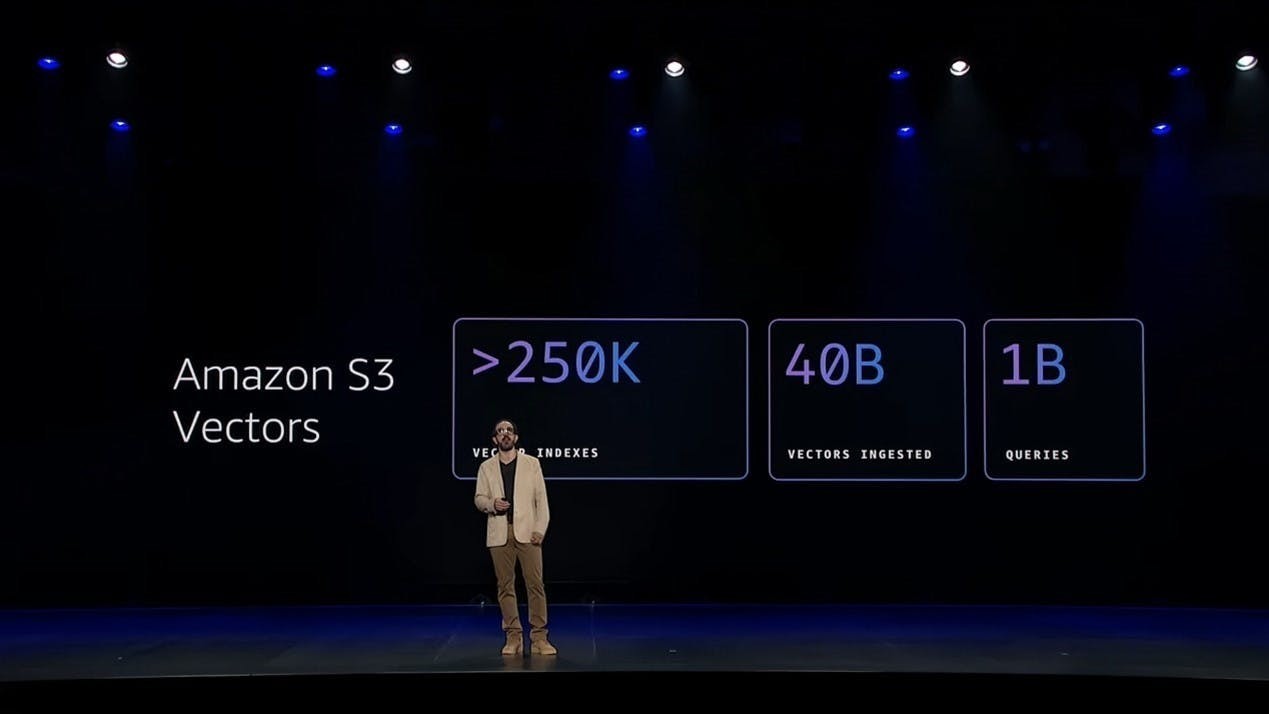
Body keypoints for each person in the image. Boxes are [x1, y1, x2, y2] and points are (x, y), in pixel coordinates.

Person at [473, 419, 556, 656]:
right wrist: (492, 504)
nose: (505, 434)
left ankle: (539, 638)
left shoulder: (532, 463)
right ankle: (513, 637)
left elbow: (541, 500)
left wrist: (540, 529)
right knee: (505, 586)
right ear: (495, 439)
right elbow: (479, 498)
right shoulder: (486, 467)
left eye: (509, 430)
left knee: (535, 585)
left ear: (516, 437)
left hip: (528, 532)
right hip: (499, 533)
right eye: (500, 431)